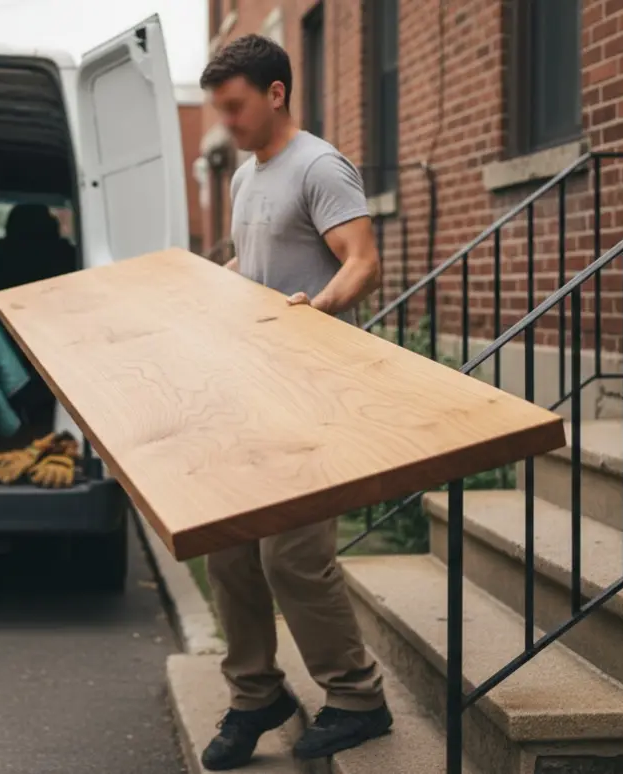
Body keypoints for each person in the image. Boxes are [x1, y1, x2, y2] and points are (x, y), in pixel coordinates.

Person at [196, 34, 391, 770]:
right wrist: (206, 284)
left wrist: (318, 308)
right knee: (228, 551)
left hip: (313, 390)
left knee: (294, 557)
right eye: (219, 109)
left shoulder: (319, 165)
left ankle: (358, 698)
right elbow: (254, 264)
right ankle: (255, 695)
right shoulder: (247, 177)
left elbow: (363, 263)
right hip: (250, 386)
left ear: (275, 93)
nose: (227, 123)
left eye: (235, 107)